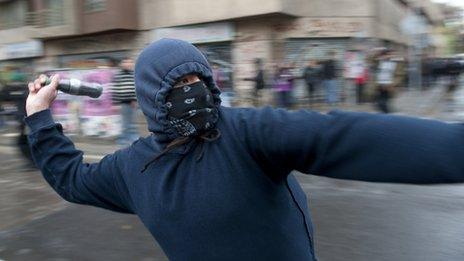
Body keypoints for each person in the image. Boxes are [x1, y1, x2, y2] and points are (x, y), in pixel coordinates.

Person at [25, 39, 464, 261]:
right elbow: (72, 179)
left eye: (198, 80)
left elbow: (344, 136)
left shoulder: (247, 132)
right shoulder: (131, 168)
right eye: (176, 85)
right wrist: (39, 119)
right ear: (149, 97)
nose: (191, 90)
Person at [111, 57, 139, 146]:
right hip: (123, 102)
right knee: (125, 122)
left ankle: (132, 139)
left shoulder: (134, 74)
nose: (128, 64)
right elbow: (115, 90)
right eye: (126, 62)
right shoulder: (118, 75)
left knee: (132, 122)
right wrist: (115, 103)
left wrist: (135, 100)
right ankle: (123, 140)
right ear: (122, 64)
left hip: (133, 103)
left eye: (130, 62)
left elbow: (136, 88)